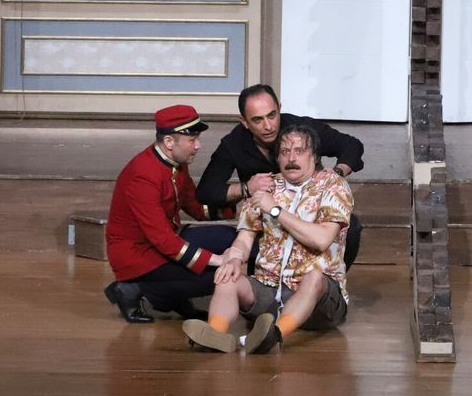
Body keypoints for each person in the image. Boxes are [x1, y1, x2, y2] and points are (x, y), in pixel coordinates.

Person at [182, 123, 353, 354]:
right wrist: (234, 259)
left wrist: (275, 210)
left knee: (314, 277)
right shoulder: (266, 187)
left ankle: (274, 335)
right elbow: (244, 238)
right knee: (227, 276)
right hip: (269, 289)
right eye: (285, 152)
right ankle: (215, 334)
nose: (291, 158)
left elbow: (321, 239)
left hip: (319, 302)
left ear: (314, 156)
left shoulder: (333, 186)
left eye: (299, 151)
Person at [195, 84, 365, 266]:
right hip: (268, 220)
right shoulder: (234, 143)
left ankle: (332, 279)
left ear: (279, 109)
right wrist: (245, 188)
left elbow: (351, 146)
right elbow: (206, 191)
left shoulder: (303, 129)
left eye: (272, 115)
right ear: (244, 122)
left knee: (351, 227)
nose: (268, 126)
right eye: (257, 120)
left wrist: (336, 173)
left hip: (312, 212)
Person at [102, 105, 240, 324]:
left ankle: (169, 293)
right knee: (216, 277)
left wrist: (240, 201)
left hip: (164, 242)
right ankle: (135, 287)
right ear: (168, 142)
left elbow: (196, 207)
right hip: (139, 256)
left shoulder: (176, 163)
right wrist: (218, 260)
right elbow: (162, 240)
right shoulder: (143, 176)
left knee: (229, 237)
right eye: (192, 139)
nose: (198, 145)